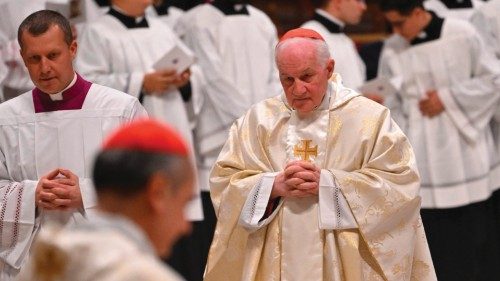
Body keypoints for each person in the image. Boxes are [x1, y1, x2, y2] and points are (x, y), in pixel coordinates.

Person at [204, 27, 436, 281]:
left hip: (344, 260)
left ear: (328, 68)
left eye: (307, 76)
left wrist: (329, 185)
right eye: (287, 79)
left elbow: (401, 184)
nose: (298, 89)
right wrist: (272, 186)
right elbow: (224, 183)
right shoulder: (258, 120)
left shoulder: (369, 119)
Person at [0, 10, 147, 280]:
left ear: (72, 48)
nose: (44, 68)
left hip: (105, 259)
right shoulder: (5, 119)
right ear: (23, 58)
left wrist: (86, 194)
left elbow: (147, 182)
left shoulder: (121, 109)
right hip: (33, 263)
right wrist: (31, 195)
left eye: (53, 55)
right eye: (34, 58)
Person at [378, 1, 500, 280]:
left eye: (399, 23)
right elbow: (392, 99)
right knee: (436, 247)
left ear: (419, 13)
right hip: (421, 156)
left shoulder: (462, 32)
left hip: (463, 154)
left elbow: (494, 79)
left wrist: (447, 98)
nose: (395, 31)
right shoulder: (393, 47)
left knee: (472, 245)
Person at [174, 1, 281, 279]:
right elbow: (211, 78)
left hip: (265, 132)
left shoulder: (261, 19)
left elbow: (276, 73)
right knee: (220, 224)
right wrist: (251, 120)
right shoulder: (197, 20)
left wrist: (269, 115)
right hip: (218, 135)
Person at [17, 119, 193, 281]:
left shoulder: (41, 264)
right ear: (158, 192)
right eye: (184, 203)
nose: (186, 226)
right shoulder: (146, 276)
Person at [75, 0, 203, 220]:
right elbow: (89, 84)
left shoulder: (161, 28)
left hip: (173, 124)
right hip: (136, 136)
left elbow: (194, 69)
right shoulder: (98, 31)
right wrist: (140, 83)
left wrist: (184, 80)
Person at [301, 0, 386, 104]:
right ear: (338, 2)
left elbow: (351, 84)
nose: (364, 7)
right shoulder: (308, 36)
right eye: (358, 1)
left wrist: (365, 98)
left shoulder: (345, 40)